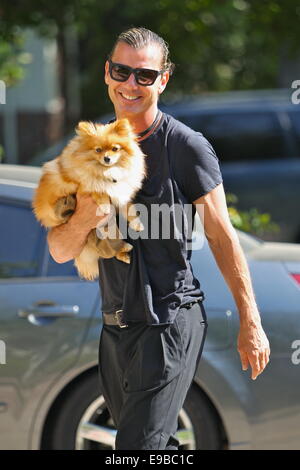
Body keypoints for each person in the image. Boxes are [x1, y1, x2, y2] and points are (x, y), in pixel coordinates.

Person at [47, 27, 270, 450]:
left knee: (137, 451)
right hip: (115, 326)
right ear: (107, 73)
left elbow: (222, 237)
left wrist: (251, 321)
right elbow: (60, 251)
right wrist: (83, 218)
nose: (131, 84)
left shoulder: (185, 147)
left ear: (163, 80)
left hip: (170, 320)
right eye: (122, 71)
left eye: (144, 76)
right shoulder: (89, 150)